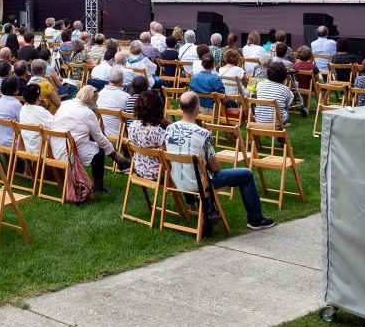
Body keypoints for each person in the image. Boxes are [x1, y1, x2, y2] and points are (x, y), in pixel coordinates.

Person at [164, 92, 276, 230]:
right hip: (200, 184)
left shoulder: (169, 129)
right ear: (198, 108)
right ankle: (255, 219)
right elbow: (215, 167)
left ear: (180, 107)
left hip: (177, 181)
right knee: (246, 174)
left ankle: (198, 206)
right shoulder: (203, 134)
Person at [52, 85, 126, 191]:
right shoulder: (88, 113)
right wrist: (111, 151)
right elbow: (99, 138)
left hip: (57, 146)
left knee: (95, 138)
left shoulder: (64, 104)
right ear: (91, 100)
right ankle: (99, 185)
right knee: (100, 151)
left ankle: (118, 160)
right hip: (71, 152)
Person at [125, 89, 168, 182]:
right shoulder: (159, 132)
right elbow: (164, 160)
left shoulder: (132, 126)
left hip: (139, 170)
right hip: (158, 174)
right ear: (158, 109)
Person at [252, 62, 295, 127]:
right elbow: (286, 105)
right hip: (278, 122)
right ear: (284, 76)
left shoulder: (259, 85)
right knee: (285, 109)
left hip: (259, 120)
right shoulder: (285, 89)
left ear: (267, 74)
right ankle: (282, 135)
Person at [17, 82, 54, 155]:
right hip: (43, 150)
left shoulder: (23, 109)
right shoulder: (41, 112)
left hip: (28, 148)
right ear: (39, 97)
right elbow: (55, 126)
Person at [0, 74, 24, 150]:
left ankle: (15, 161)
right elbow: (22, 123)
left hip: (0, 141)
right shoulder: (16, 104)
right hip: (15, 143)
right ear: (15, 89)